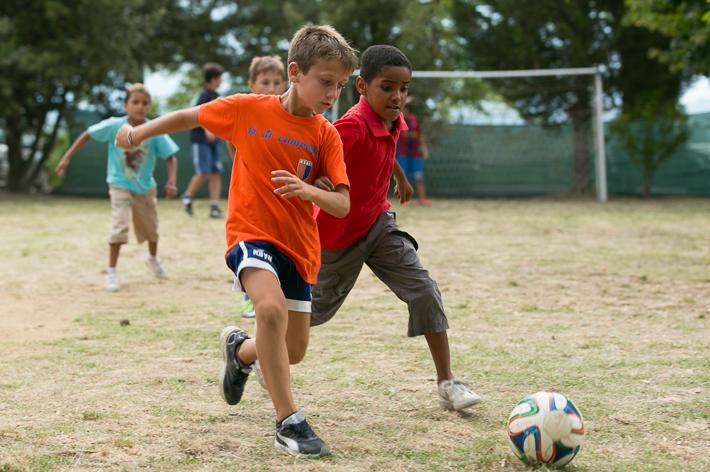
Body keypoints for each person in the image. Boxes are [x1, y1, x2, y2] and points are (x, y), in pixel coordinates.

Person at [114, 25, 358, 457]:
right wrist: (138, 133)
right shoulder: (249, 109)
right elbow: (191, 117)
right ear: (295, 72)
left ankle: (240, 352)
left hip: (299, 248)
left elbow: (340, 204)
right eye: (326, 82)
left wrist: (309, 192)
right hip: (251, 234)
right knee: (268, 308)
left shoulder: (326, 135)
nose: (332, 93)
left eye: (339, 86)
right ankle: (289, 422)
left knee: (292, 350)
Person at [310, 45, 482, 411]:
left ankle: (448, 382)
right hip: (336, 239)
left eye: (403, 88)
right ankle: (249, 347)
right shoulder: (349, 128)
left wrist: (400, 177)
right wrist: (319, 182)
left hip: (378, 224)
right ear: (361, 86)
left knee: (423, 289)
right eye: (387, 87)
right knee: (313, 313)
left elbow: (384, 149)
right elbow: (316, 161)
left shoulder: (393, 120)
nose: (397, 96)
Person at [55, 83, 178, 292]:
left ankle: (153, 259)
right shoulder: (115, 126)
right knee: (119, 227)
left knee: (152, 229)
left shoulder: (153, 129)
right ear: (126, 105)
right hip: (119, 184)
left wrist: (172, 181)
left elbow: (171, 156)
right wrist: (66, 157)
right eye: (135, 102)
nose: (140, 107)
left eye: (145, 103)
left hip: (145, 187)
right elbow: (88, 134)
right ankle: (111, 271)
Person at [238, 55, 288, 319]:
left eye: (277, 82)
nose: (271, 88)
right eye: (265, 82)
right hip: (253, 200)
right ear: (252, 84)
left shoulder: (291, 115)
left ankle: (276, 294)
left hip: (282, 200)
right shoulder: (245, 113)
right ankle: (250, 298)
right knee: (254, 251)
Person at [182, 63, 225, 218]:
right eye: (220, 77)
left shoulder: (216, 96)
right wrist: (208, 130)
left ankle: (214, 206)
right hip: (200, 141)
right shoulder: (204, 96)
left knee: (216, 173)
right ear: (213, 79)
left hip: (214, 142)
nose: (221, 80)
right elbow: (199, 116)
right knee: (203, 172)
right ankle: (187, 197)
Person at [397, 96, 431, 206]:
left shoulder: (414, 120)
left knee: (419, 176)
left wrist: (424, 148)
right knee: (403, 178)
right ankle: (405, 200)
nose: (405, 110)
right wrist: (404, 101)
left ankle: (422, 199)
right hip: (403, 153)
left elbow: (420, 136)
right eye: (404, 107)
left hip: (415, 154)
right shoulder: (398, 119)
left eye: (407, 107)